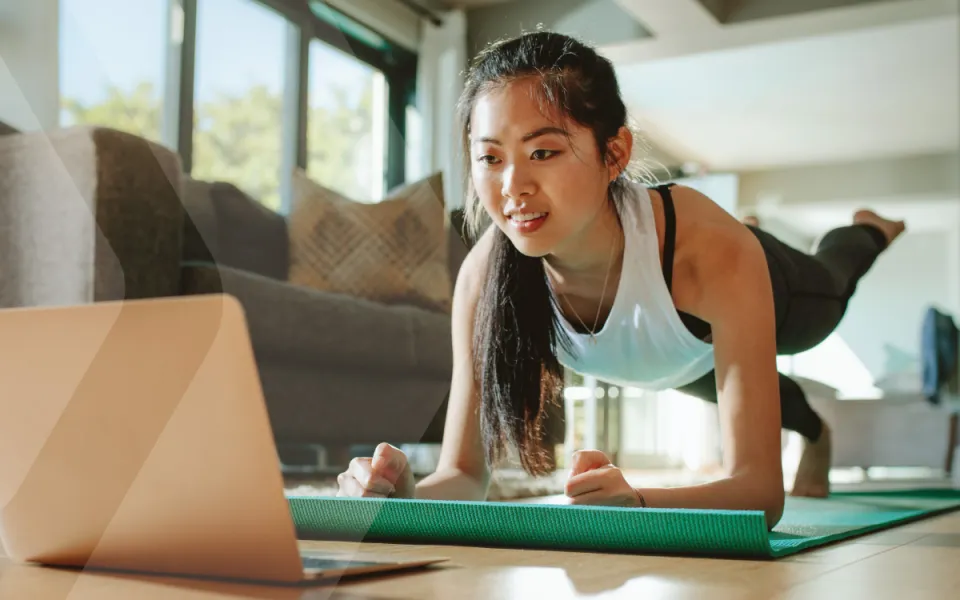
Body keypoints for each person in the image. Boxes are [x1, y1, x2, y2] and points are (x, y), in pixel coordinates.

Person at [335, 31, 905, 529]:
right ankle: (816, 431)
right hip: (672, 354)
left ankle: (866, 230)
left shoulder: (710, 252)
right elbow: (462, 476)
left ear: (615, 153)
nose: (513, 187)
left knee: (832, 288)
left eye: (543, 151)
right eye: (490, 158)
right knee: (758, 394)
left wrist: (637, 501)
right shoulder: (486, 277)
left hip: (771, 290)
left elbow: (759, 493)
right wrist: (402, 495)